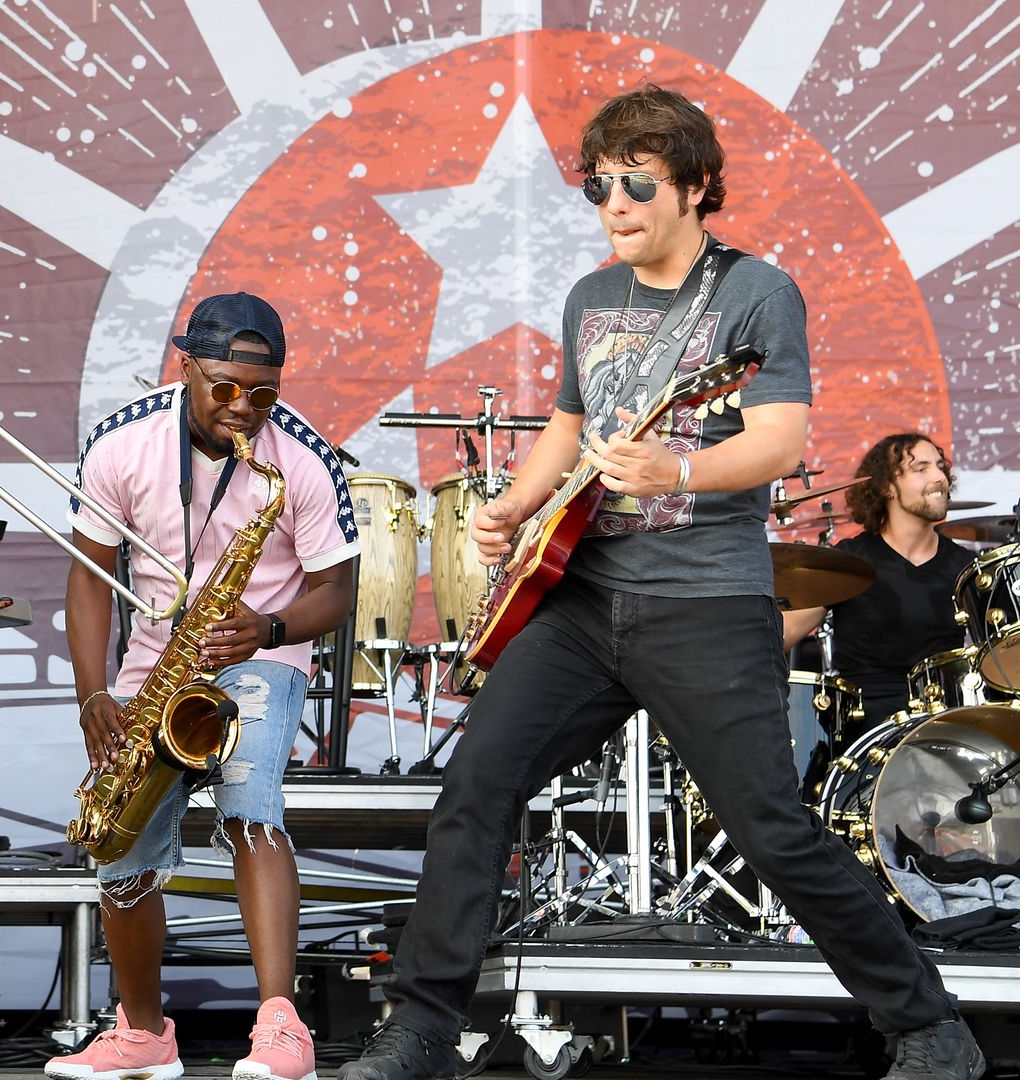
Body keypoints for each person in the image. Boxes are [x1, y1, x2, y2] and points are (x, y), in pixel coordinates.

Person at [338, 87, 983, 1080]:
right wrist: (517, 504)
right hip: (585, 601)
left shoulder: (758, 292)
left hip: (707, 604)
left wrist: (676, 470)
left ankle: (928, 1026)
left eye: (637, 184)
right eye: (599, 186)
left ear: (691, 186)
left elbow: (779, 436)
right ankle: (421, 1026)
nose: (615, 204)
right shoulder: (591, 300)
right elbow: (568, 418)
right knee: (475, 782)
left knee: (771, 829)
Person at [47, 292, 359, 1080]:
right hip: (156, 661)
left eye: (263, 393)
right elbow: (87, 582)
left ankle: (281, 1027)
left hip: (260, 651)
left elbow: (337, 590)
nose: (243, 408)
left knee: (250, 803)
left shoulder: (304, 459)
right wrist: (94, 693)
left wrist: (271, 629)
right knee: (118, 843)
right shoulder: (121, 445)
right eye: (224, 387)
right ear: (184, 368)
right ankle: (143, 1034)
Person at [782, 434, 976, 720]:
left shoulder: (966, 567)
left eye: (940, 467)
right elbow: (778, 636)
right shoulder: (850, 561)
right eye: (920, 469)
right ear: (888, 487)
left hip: (944, 723)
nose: (939, 478)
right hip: (866, 733)